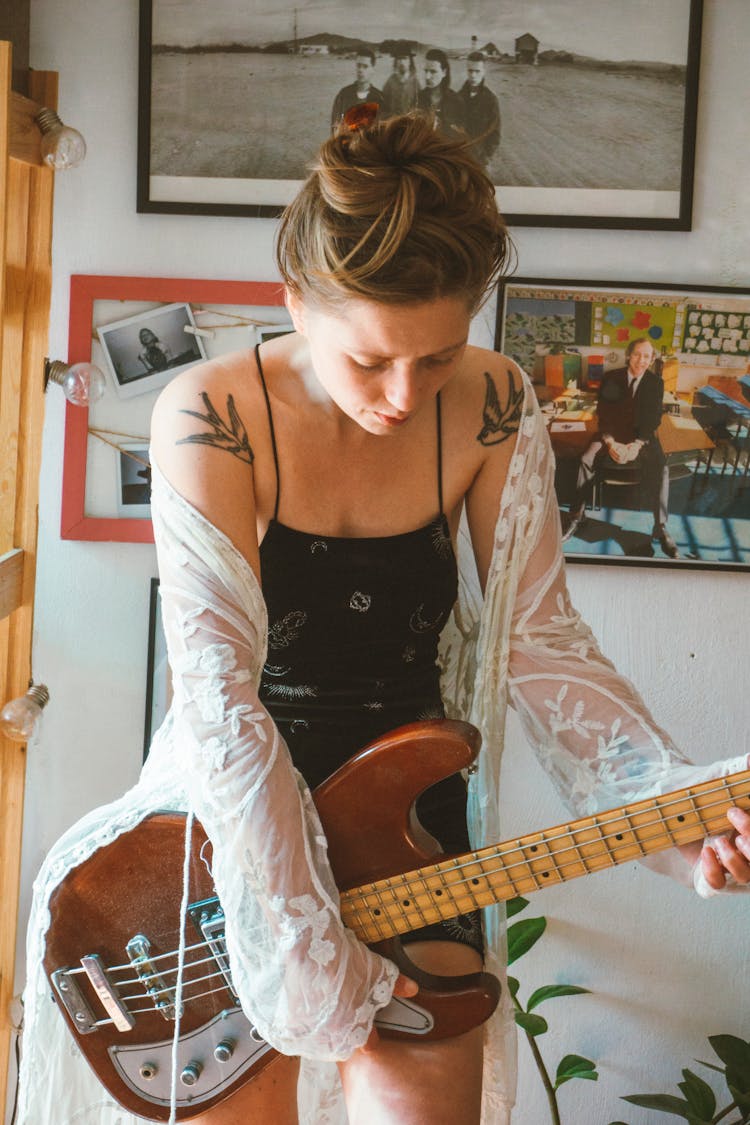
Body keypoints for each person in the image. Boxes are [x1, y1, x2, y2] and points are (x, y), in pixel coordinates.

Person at [17, 112, 750, 1125]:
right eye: (370, 361)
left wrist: (671, 815)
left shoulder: (496, 403)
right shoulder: (208, 414)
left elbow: (540, 643)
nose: (406, 396)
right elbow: (222, 701)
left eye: (439, 356)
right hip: (225, 845)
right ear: (293, 303)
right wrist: (303, 949)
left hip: (415, 817)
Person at [564, 337, 678, 558]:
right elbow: (604, 414)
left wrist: (637, 444)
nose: (641, 360)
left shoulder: (656, 383)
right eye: (637, 354)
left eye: (646, 356)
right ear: (628, 355)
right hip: (611, 434)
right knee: (586, 459)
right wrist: (610, 442)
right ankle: (577, 516)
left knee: (661, 467)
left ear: (652, 359)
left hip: (641, 438)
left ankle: (660, 527)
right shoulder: (611, 377)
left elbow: (652, 419)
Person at [458, 51, 501, 168]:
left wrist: (486, 158)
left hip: (480, 162)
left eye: (477, 71)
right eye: (470, 71)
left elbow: (495, 134)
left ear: (484, 72)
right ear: (466, 70)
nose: (473, 75)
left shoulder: (491, 100)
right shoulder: (457, 98)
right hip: (459, 160)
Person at [331, 47, 384, 132]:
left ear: (372, 69)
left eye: (365, 67)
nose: (360, 70)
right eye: (358, 66)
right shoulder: (343, 95)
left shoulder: (380, 98)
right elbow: (335, 127)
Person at [417, 48, 464, 138]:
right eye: (426, 71)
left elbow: (461, 137)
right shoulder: (419, 98)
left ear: (444, 72)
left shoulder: (457, 101)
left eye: (433, 71)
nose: (427, 76)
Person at [381, 45, 419, 117]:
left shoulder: (415, 83)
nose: (402, 62)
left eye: (405, 58)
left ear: (410, 61)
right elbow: (383, 106)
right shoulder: (390, 82)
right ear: (396, 61)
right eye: (399, 58)